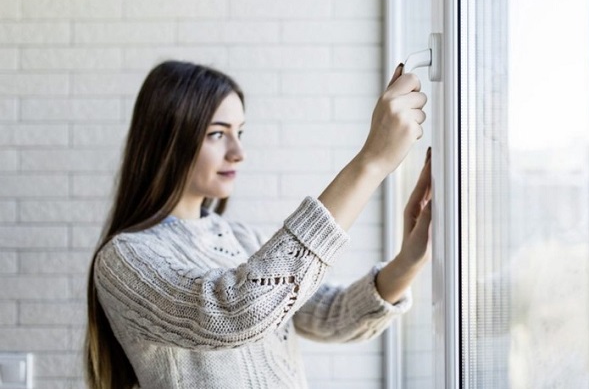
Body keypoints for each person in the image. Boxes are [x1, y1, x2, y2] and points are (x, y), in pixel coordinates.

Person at [84, 60, 433, 389]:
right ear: (167, 140)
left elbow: (330, 314)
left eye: (240, 132)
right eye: (217, 134)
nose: (238, 152)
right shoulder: (124, 260)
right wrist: (370, 163)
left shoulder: (241, 239)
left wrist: (409, 261)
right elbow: (234, 311)